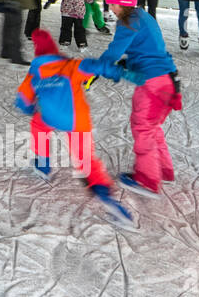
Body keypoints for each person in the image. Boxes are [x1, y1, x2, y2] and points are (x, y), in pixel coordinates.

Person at [14, 30, 135, 229]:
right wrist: (116, 71)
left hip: (49, 116)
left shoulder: (34, 73)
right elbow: (94, 66)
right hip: (77, 120)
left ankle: (43, 164)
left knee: (38, 124)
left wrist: (30, 107)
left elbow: (23, 101)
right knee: (86, 160)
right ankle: (107, 198)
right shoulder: (71, 66)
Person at [80, 0, 182, 198]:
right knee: (152, 127)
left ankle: (147, 180)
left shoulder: (127, 22)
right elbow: (149, 48)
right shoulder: (143, 16)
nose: (111, 9)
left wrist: (96, 69)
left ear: (120, 4)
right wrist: (129, 62)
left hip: (152, 83)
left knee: (142, 127)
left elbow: (114, 51)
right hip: (168, 79)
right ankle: (163, 170)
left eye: (112, 5)